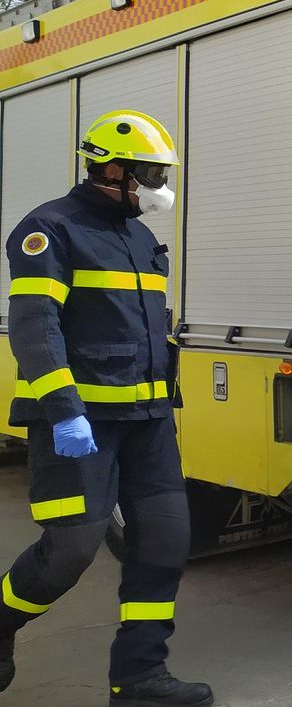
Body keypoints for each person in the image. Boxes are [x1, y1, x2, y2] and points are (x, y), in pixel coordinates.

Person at [0, 111, 212, 706]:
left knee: (165, 545)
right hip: (81, 427)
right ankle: (1, 623)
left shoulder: (141, 237)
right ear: (110, 170)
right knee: (69, 553)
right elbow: (36, 328)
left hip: (148, 426)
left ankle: (140, 677)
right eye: (149, 171)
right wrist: (64, 409)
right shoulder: (49, 229)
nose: (158, 184)